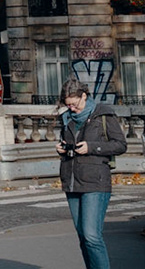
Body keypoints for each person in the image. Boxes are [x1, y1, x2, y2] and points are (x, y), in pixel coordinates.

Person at [55, 76, 126, 269]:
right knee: (83, 237)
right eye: (68, 105)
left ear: (84, 96)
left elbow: (120, 145)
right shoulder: (66, 118)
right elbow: (68, 142)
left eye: (74, 104)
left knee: (92, 235)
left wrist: (92, 147)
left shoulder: (103, 115)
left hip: (96, 181)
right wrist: (62, 148)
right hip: (72, 180)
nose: (72, 108)